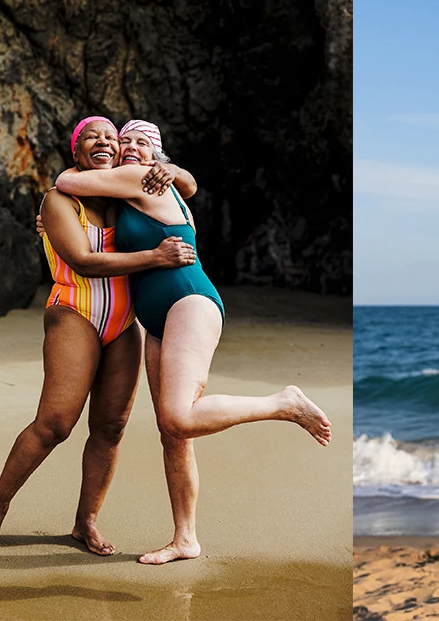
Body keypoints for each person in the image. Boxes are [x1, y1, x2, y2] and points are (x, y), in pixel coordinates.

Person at [54, 119, 332, 565]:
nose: (128, 148)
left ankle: (283, 403)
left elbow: (68, 179)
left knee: (179, 418)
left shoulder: (140, 178)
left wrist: (166, 168)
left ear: (156, 155)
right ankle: (186, 538)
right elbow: (101, 215)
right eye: (124, 141)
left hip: (189, 301)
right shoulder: (137, 190)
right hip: (160, 317)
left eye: (140, 143)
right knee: (173, 434)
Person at [0, 117, 198, 555]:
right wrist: (154, 256)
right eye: (91, 136)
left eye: (111, 138)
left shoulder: (124, 200)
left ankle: (85, 522)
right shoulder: (57, 200)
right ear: (77, 152)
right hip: (73, 311)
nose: (103, 142)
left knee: (111, 428)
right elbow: (82, 260)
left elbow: (186, 190)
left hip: (123, 324)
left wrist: (174, 170)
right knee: (56, 423)